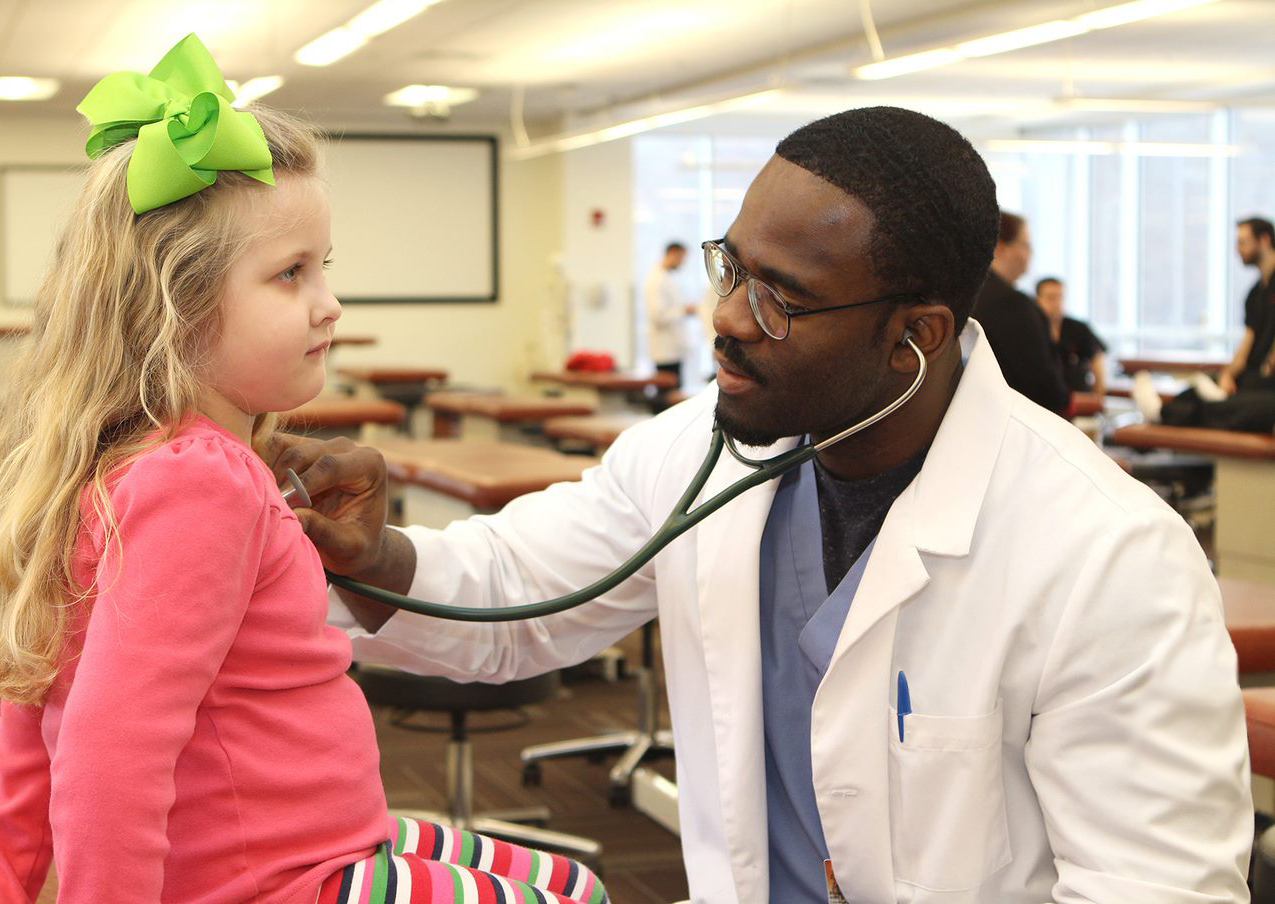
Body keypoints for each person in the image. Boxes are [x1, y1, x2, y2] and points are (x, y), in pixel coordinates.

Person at [273, 106, 1250, 904]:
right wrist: (378, 555)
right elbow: (519, 594)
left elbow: (1152, 885)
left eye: (782, 297)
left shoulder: (1107, 556)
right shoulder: (698, 446)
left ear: (915, 335)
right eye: (731, 267)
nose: (728, 319)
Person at [0, 35, 606, 904]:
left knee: (560, 875)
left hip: (309, 839)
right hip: (279, 876)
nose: (328, 304)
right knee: (576, 895)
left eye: (323, 267)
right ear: (174, 307)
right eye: (289, 275)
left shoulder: (119, 464)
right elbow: (109, 750)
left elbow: (37, 714)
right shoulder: (203, 484)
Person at [1135, 216, 1275, 432]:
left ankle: (1163, 414)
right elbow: (1248, 342)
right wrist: (1229, 374)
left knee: (1237, 406)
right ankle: (1163, 410)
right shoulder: (1255, 294)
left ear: (1264, 240)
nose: (1238, 249)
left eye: (1243, 241)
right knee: (1198, 388)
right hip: (1254, 377)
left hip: (1268, 383)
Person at [970, 213, 1070, 414]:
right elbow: (1043, 385)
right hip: (1012, 419)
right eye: (1025, 245)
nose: (1030, 254)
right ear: (1000, 247)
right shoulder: (1011, 304)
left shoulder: (967, 292)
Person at [1035, 276, 1108, 396]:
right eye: (1051, 298)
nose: (1057, 303)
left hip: (1079, 397)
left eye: (1060, 297)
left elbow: (1097, 359)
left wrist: (1098, 397)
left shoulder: (1078, 328)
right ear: (1038, 299)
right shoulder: (1033, 328)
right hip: (1043, 399)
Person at [645, 241, 698, 384]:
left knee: (675, 389)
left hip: (673, 349)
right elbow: (658, 316)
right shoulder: (657, 279)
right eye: (681, 258)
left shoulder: (667, 277)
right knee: (668, 393)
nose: (682, 263)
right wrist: (684, 310)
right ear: (673, 254)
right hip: (665, 350)